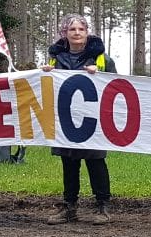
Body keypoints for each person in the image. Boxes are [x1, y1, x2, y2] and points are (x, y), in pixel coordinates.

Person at [41, 14, 115, 225]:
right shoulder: (57, 58)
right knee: (69, 163)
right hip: (66, 118)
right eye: (72, 29)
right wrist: (46, 73)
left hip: (92, 119)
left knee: (96, 162)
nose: (76, 33)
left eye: (80, 29)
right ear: (65, 33)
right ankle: (69, 207)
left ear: (87, 32)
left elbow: (116, 85)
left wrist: (99, 73)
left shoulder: (102, 58)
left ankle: (103, 207)